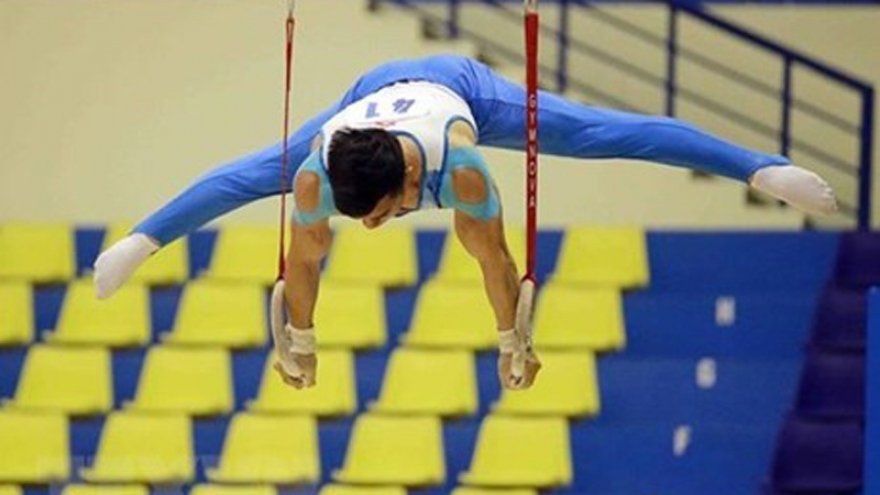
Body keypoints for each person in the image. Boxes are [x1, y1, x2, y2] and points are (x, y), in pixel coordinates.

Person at [93, 54, 838, 391]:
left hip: (461, 90)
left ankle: (761, 167)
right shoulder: (325, 172)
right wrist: (301, 344)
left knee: (612, 134)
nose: (377, 227)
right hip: (361, 100)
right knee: (253, 176)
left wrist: (514, 340)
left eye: (383, 215)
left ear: (415, 183)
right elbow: (305, 259)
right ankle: (139, 237)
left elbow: (492, 262)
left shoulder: (465, 168)